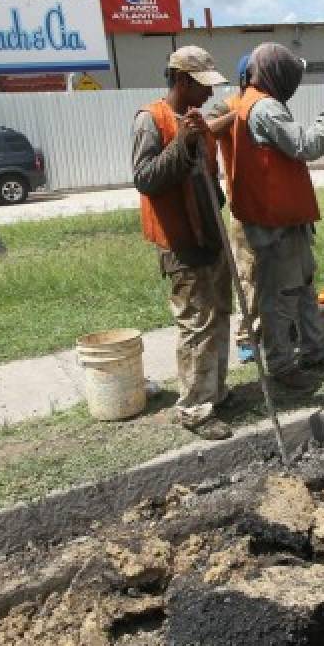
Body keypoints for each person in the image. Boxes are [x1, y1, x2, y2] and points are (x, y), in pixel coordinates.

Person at [228, 42, 324, 390]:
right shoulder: (264, 107)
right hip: (274, 223)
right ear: (276, 75)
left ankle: (315, 350)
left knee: (303, 288)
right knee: (280, 298)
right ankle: (282, 365)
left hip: (288, 218)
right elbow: (307, 145)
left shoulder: (258, 102)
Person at [132, 46, 233, 440]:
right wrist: (182, 144)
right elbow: (145, 178)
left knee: (219, 313)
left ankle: (216, 392)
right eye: (202, 86)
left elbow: (210, 179)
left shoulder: (197, 121)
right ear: (180, 80)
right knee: (196, 323)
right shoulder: (151, 120)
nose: (209, 95)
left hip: (210, 232)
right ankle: (194, 407)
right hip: (180, 239)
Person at [208, 54, 260, 364]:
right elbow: (207, 129)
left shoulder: (268, 107)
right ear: (245, 81)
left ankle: (272, 331)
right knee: (248, 275)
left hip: (273, 206)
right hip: (244, 207)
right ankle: (246, 337)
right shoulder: (229, 105)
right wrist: (239, 115)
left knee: (276, 274)